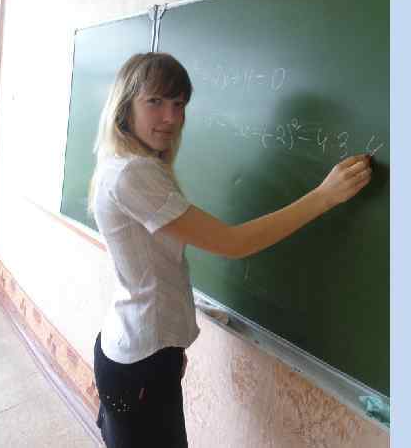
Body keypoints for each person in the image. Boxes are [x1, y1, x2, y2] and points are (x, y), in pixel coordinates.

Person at [88, 52, 372, 447]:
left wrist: (169, 347)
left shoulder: (125, 161)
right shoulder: (133, 174)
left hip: (138, 348)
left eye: (179, 104)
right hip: (141, 361)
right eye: (155, 101)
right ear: (125, 106)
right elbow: (233, 243)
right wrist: (325, 196)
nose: (171, 117)